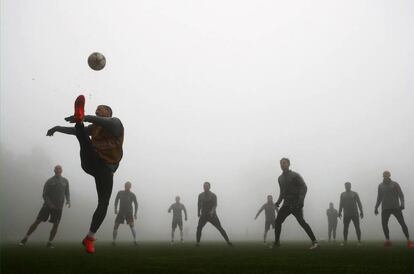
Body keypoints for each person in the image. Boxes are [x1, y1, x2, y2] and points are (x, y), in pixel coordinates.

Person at [46, 95, 124, 253]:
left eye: (101, 108)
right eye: (96, 109)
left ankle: (89, 237)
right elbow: (73, 131)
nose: (97, 109)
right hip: (91, 161)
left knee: (104, 203)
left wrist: (85, 117)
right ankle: (79, 119)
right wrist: (57, 128)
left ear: (108, 112)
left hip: (106, 170)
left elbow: (103, 122)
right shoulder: (94, 127)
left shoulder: (115, 123)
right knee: (83, 138)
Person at [19, 165, 70, 248]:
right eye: (56, 168)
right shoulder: (49, 181)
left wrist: (68, 200)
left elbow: (67, 192)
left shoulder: (65, 181)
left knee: (56, 225)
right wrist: (50, 204)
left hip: (58, 208)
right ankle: (25, 238)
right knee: (37, 221)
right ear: (54, 170)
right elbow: (45, 195)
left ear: (62, 170)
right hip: (47, 206)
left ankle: (49, 242)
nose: (58, 169)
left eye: (59, 168)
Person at [274, 158, 319, 250]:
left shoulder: (295, 175)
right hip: (286, 204)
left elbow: (304, 187)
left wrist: (301, 201)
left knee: (302, 222)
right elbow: (282, 192)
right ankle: (277, 243)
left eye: (284, 163)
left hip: (295, 204)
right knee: (277, 222)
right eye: (281, 164)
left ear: (289, 164)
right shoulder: (280, 178)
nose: (282, 165)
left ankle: (315, 242)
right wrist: (278, 202)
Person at [375, 171, 414, 248]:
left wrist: (402, 204)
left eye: (387, 175)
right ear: (383, 176)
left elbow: (401, 195)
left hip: (396, 207)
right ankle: (387, 241)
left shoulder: (395, 184)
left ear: (389, 175)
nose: (385, 176)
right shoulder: (380, 185)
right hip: (385, 208)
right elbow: (379, 197)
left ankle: (409, 241)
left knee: (402, 223)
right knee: (384, 224)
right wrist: (376, 207)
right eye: (384, 175)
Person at [196, 182, 232, 247]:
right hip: (204, 215)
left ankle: (228, 241)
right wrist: (198, 212)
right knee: (199, 228)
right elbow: (198, 204)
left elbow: (215, 205)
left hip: (212, 215)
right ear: (203, 187)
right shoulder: (200, 195)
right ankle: (198, 243)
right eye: (204, 186)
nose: (206, 187)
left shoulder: (213, 195)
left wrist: (212, 211)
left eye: (207, 186)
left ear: (210, 187)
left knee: (220, 228)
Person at [112, 181, 138, 246]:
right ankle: (114, 241)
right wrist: (115, 209)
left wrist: (135, 213)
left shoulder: (132, 194)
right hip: (121, 212)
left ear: (130, 187)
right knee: (116, 226)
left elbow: (136, 204)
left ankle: (135, 240)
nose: (127, 187)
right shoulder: (120, 193)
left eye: (128, 186)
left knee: (132, 225)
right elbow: (116, 201)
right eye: (126, 186)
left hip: (129, 212)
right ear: (124, 186)